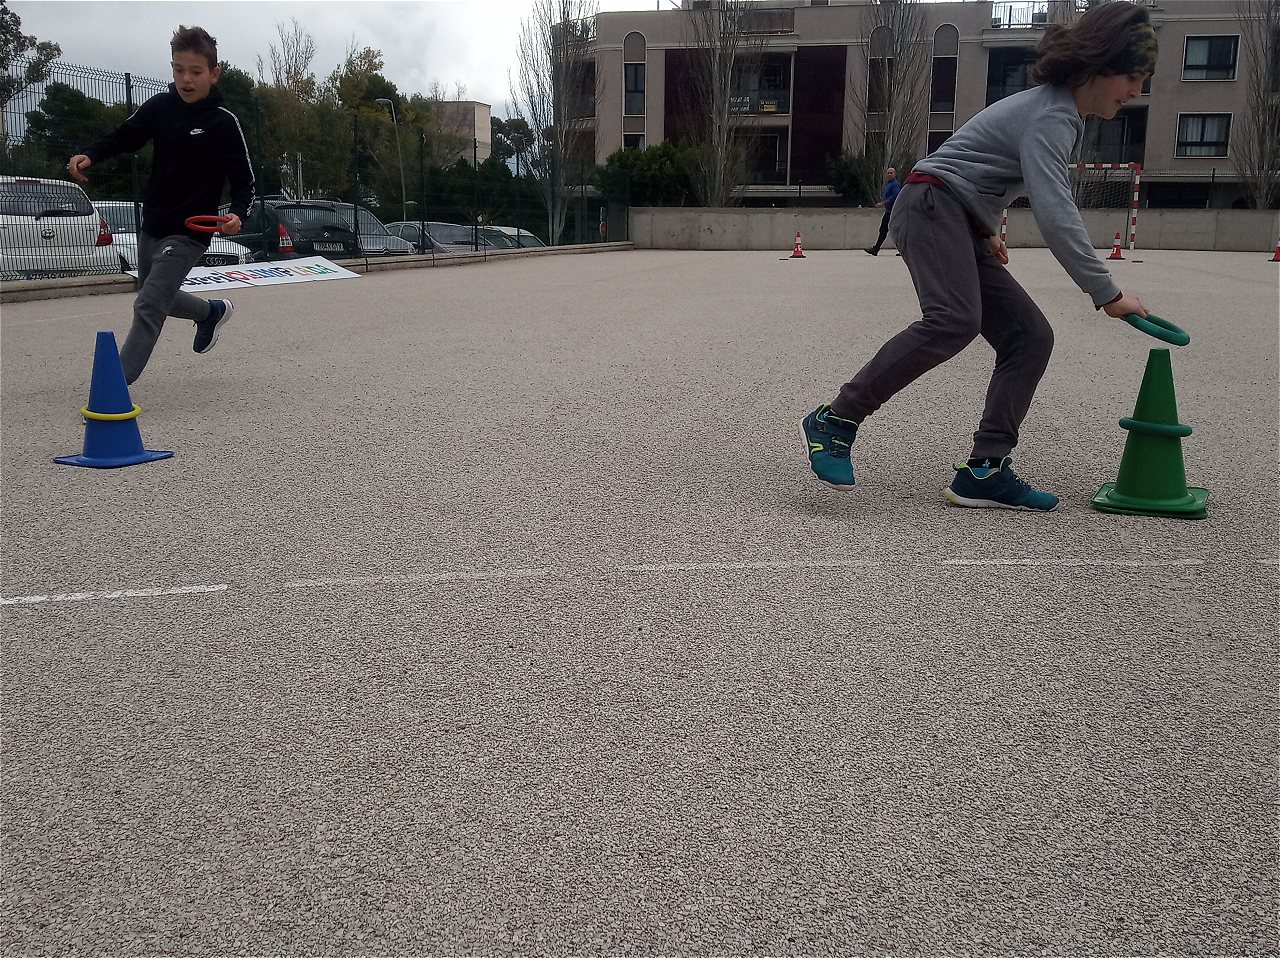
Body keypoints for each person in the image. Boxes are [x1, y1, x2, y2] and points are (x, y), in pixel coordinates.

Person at [803, 0, 1157, 513]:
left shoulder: (1056, 111)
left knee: (1029, 337)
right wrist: (1108, 292)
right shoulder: (1053, 115)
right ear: (1099, 67)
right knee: (953, 319)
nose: (1136, 92)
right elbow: (1056, 213)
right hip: (931, 204)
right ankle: (835, 419)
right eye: (1133, 78)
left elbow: (980, 162)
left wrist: (984, 225)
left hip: (953, 212)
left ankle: (985, 470)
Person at [68, 25, 254, 385]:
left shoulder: (224, 122)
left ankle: (114, 386)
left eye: (196, 71)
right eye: (179, 70)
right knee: (156, 295)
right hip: (153, 223)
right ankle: (210, 313)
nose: (186, 79)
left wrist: (238, 214)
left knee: (149, 304)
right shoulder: (159, 107)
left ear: (214, 74)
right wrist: (91, 154)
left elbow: (245, 182)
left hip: (190, 232)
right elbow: (124, 137)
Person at [863, 166, 900, 256]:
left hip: (893, 211)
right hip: (889, 211)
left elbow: (895, 196)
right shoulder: (888, 184)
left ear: (895, 174)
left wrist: (882, 203)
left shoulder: (895, 184)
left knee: (887, 230)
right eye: (888, 173)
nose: (889, 174)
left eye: (891, 173)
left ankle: (876, 249)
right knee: (888, 230)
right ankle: (876, 249)